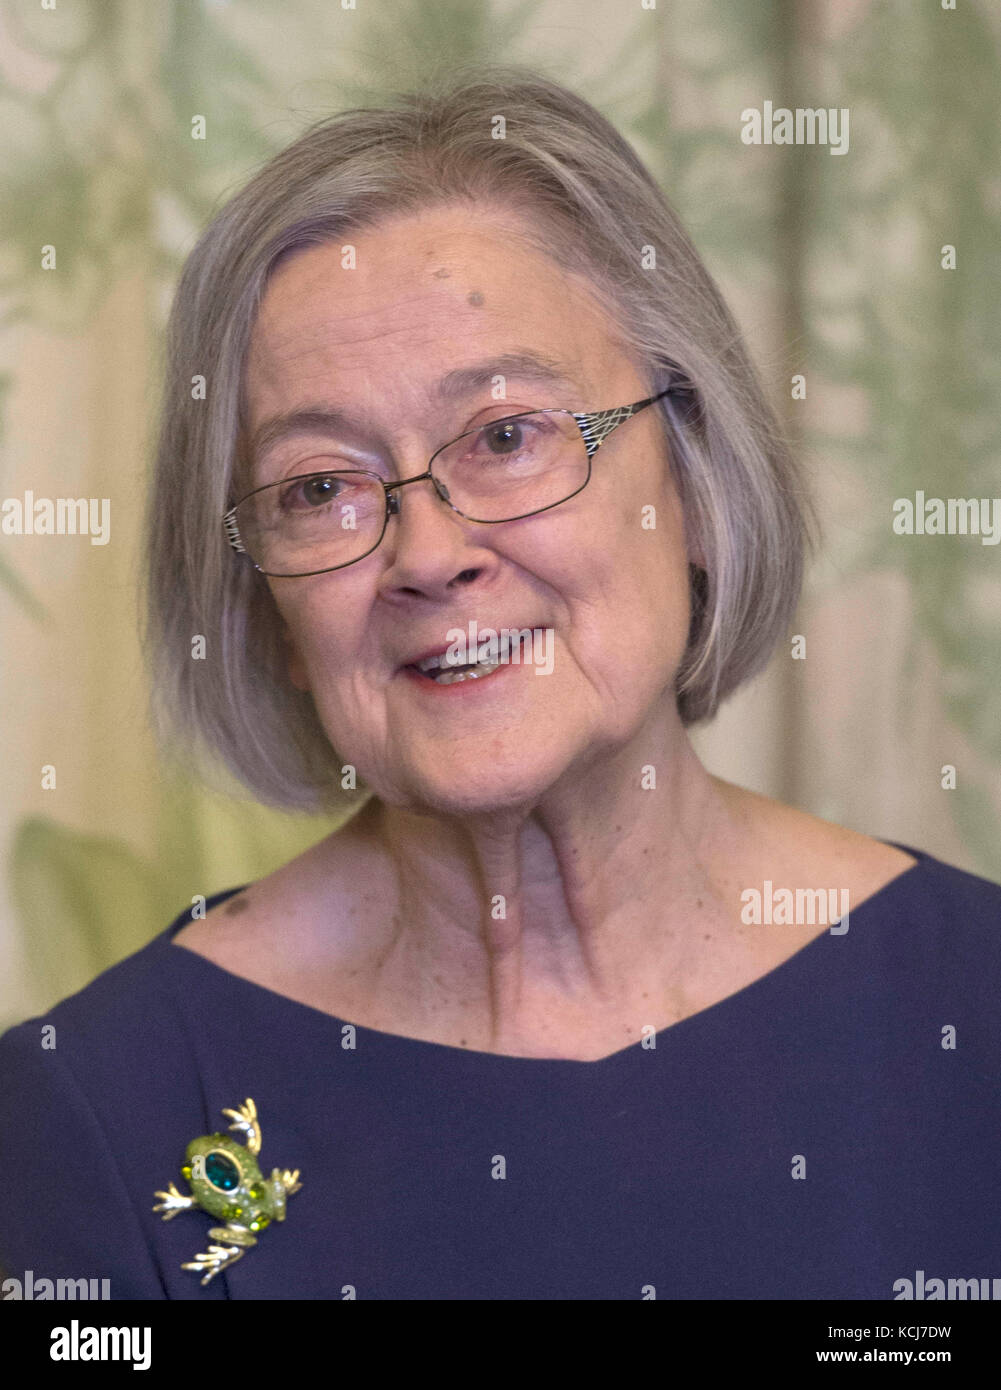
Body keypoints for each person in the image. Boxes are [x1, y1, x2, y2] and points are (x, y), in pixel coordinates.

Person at [1, 65, 998, 1301]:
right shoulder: (94, 1111)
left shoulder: (972, 1003)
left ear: (689, 475)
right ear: (259, 603)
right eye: (320, 488)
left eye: (506, 435)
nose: (427, 553)